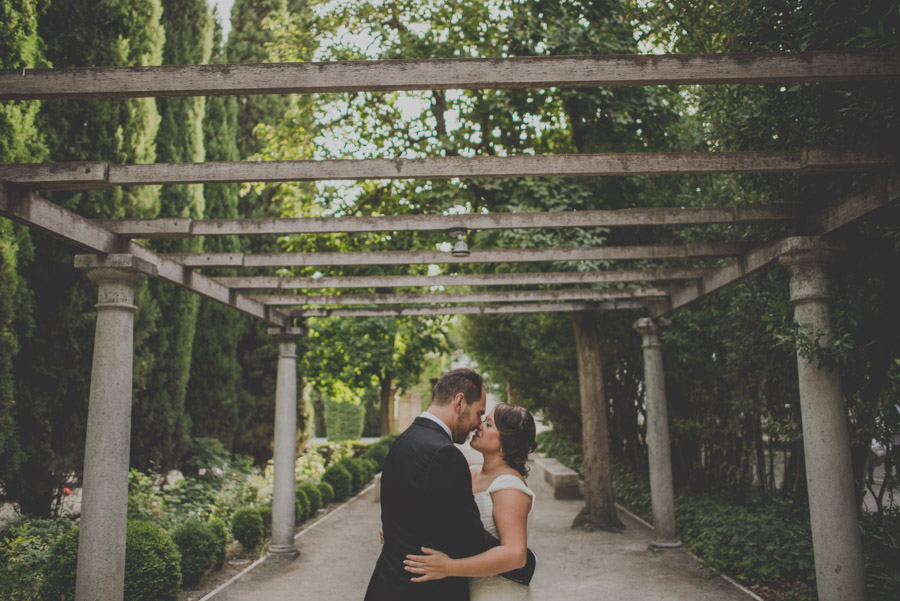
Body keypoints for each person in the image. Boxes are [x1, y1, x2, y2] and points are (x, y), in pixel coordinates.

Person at [364, 368, 535, 601]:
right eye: (479, 414)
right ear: (459, 402)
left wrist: (399, 533)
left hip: (389, 584)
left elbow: (432, 514)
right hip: (422, 591)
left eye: (487, 422)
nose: (478, 424)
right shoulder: (446, 454)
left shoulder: (404, 440)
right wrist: (525, 563)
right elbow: (464, 535)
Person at [403, 403, 538, 601]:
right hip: (462, 588)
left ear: (507, 442)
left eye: (489, 424)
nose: (479, 426)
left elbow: (515, 555)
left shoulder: (509, 486)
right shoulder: (472, 472)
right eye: (484, 420)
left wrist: (449, 567)